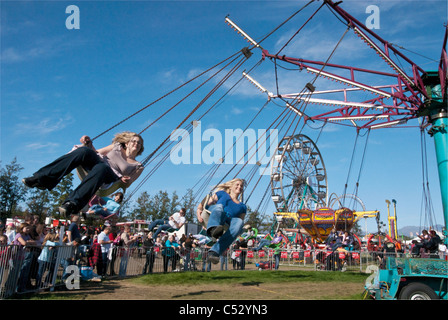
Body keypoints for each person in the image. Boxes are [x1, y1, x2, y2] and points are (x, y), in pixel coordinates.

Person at [22, 132, 145, 217]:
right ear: (127, 143)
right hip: (100, 163)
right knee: (84, 151)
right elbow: (96, 153)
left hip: (111, 176)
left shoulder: (137, 165)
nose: (136, 144)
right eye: (133, 141)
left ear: (141, 148)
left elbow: (129, 183)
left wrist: (125, 180)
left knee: (102, 167)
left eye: (139, 143)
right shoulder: (117, 146)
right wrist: (88, 143)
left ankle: (73, 204)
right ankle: (43, 178)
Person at [204, 178, 247, 264]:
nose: (239, 187)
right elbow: (206, 204)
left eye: (241, 186)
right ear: (231, 187)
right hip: (216, 213)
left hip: (227, 222)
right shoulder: (222, 194)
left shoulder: (242, 206)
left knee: (240, 222)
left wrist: (239, 231)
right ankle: (213, 230)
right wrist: (199, 211)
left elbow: (239, 222)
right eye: (237, 184)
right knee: (219, 207)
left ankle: (214, 252)